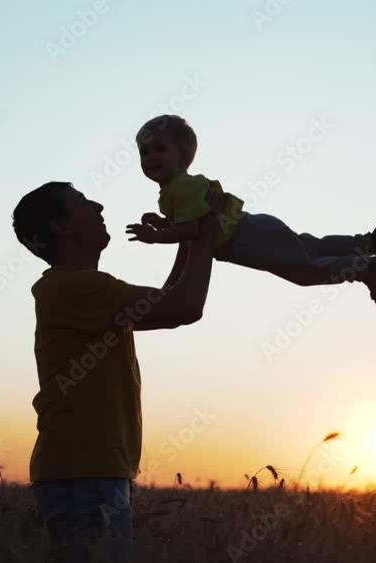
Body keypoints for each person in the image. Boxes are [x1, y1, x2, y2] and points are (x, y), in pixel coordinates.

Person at [12, 181, 220, 562]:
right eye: (81, 202)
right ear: (61, 226)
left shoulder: (81, 291)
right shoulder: (77, 288)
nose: (99, 205)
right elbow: (184, 306)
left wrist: (188, 235)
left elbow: (169, 300)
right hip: (84, 475)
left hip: (88, 472)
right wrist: (207, 236)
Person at [125, 114, 376, 308]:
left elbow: (191, 230)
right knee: (312, 249)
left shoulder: (180, 189)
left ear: (185, 155)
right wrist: (165, 224)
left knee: (306, 270)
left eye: (160, 149)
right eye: (144, 153)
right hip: (256, 228)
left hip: (247, 240)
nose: (150, 158)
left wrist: (156, 237)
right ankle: (373, 241)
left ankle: (367, 268)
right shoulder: (176, 190)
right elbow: (193, 222)